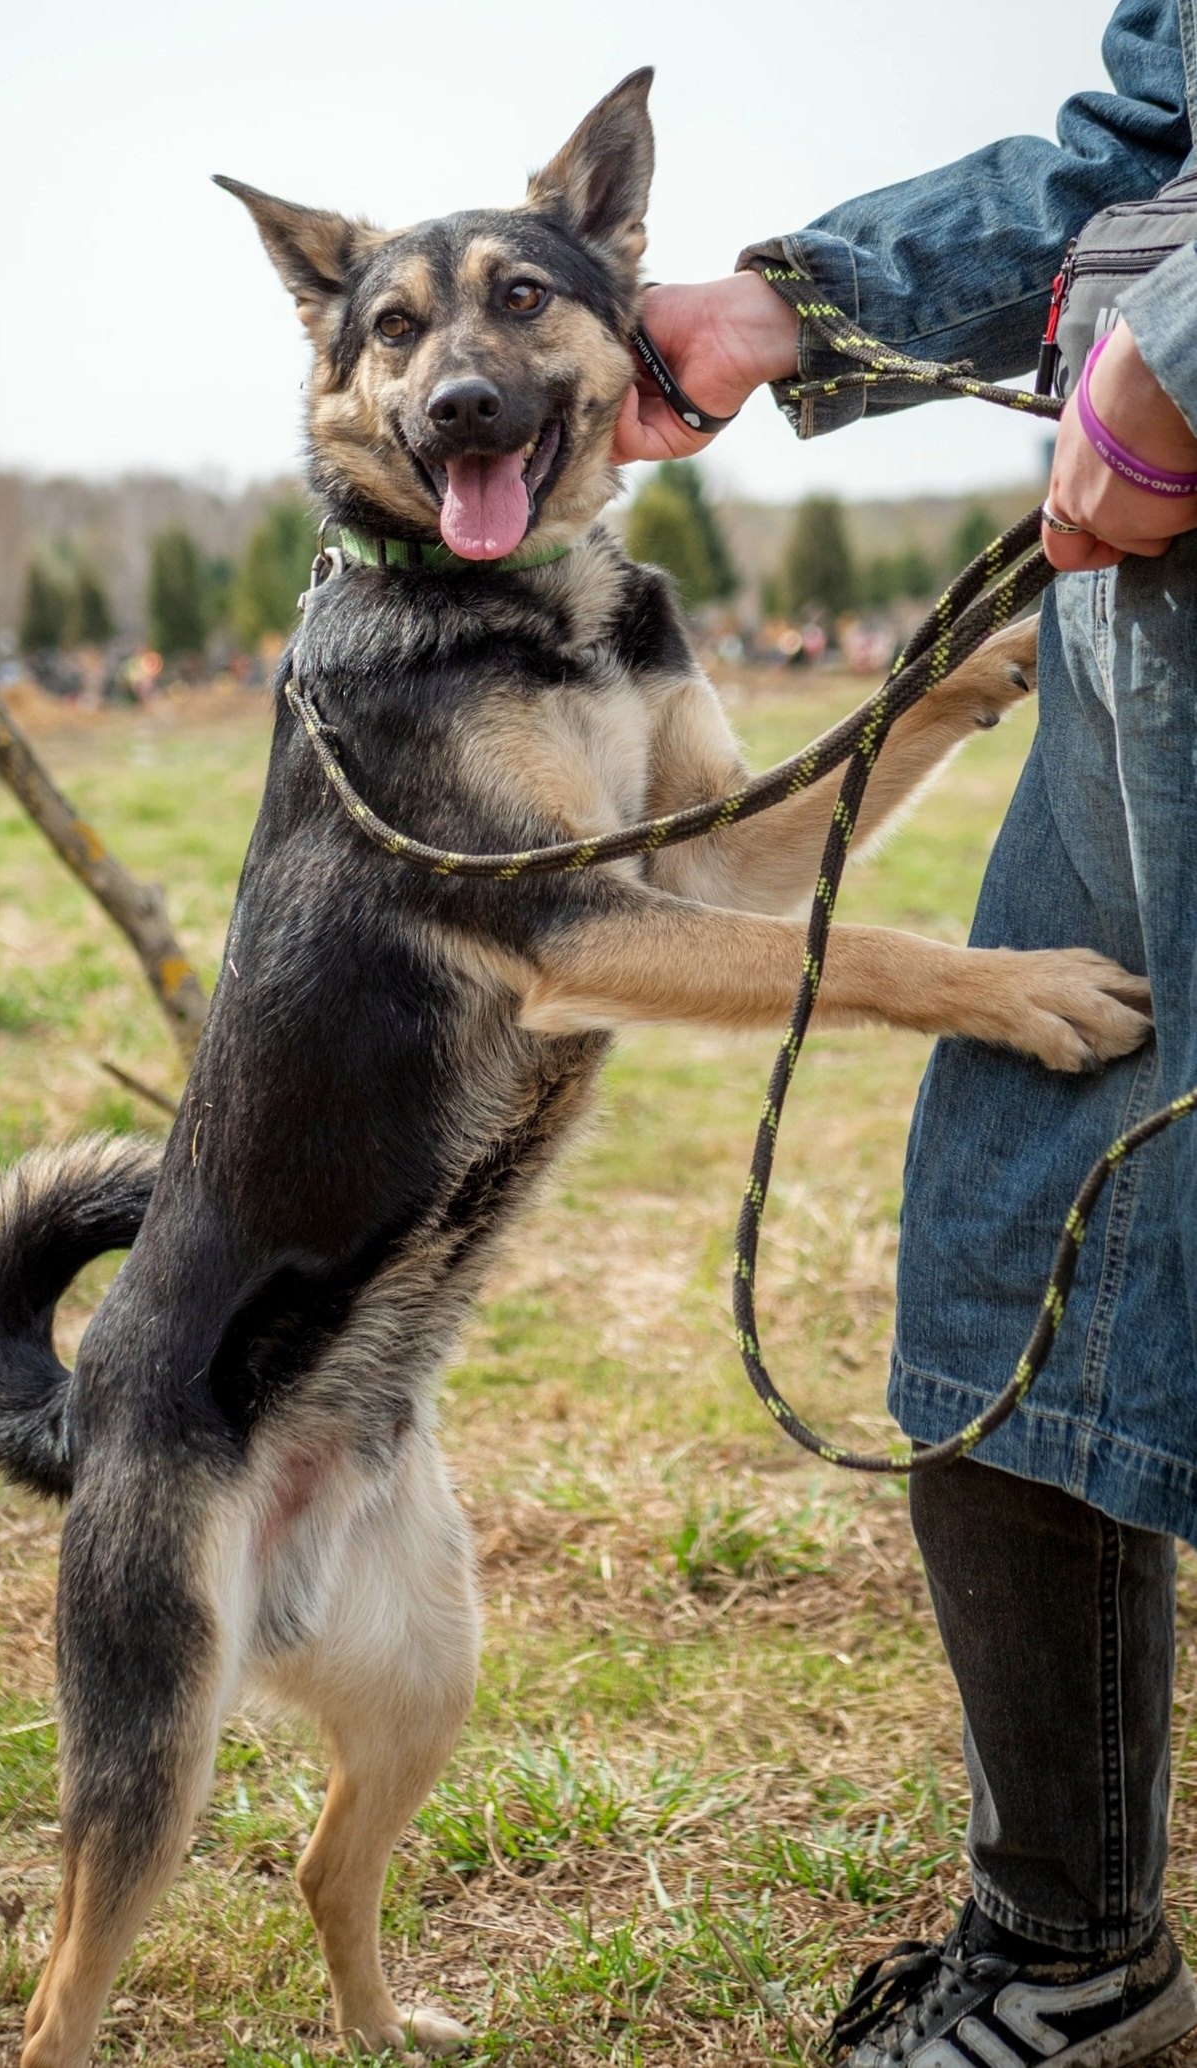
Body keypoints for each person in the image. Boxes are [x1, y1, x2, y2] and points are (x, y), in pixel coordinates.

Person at [612, 7, 1197, 2063]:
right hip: (1144, 635)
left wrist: (1180, 359)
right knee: (1005, 1255)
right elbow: (1138, 140)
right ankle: (1066, 1951)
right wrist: (792, 305)